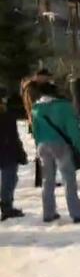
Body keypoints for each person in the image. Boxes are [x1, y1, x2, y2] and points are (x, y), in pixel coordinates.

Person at [30, 81, 80, 224]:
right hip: (60, 145)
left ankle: (48, 213)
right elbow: (73, 131)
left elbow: (35, 131)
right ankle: (76, 213)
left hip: (42, 146)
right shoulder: (64, 106)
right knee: (68, 179)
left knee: (47, 180)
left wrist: (38, 146)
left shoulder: (35, 108)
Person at [0, 87, 26, 221]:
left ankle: (6, 205)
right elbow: (13, 136)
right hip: (7, 152)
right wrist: (20, 152)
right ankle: (7, 207)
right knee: (9, 180)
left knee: (10, 180)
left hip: (7, 151)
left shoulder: (8, 115)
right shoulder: (7, 116)